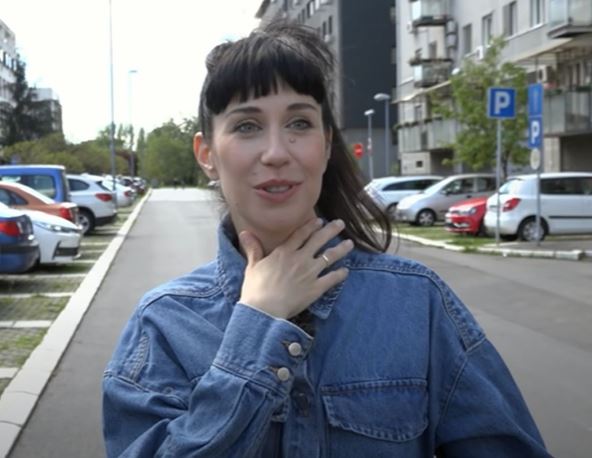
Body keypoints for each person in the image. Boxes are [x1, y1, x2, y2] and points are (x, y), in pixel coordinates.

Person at [102, 21, 551, 458]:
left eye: (299, 123)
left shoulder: (416, 303)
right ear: (207, 155)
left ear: (327, 143)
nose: (277, 152)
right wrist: (258, 321)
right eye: (247, 126)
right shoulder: (165, 324)